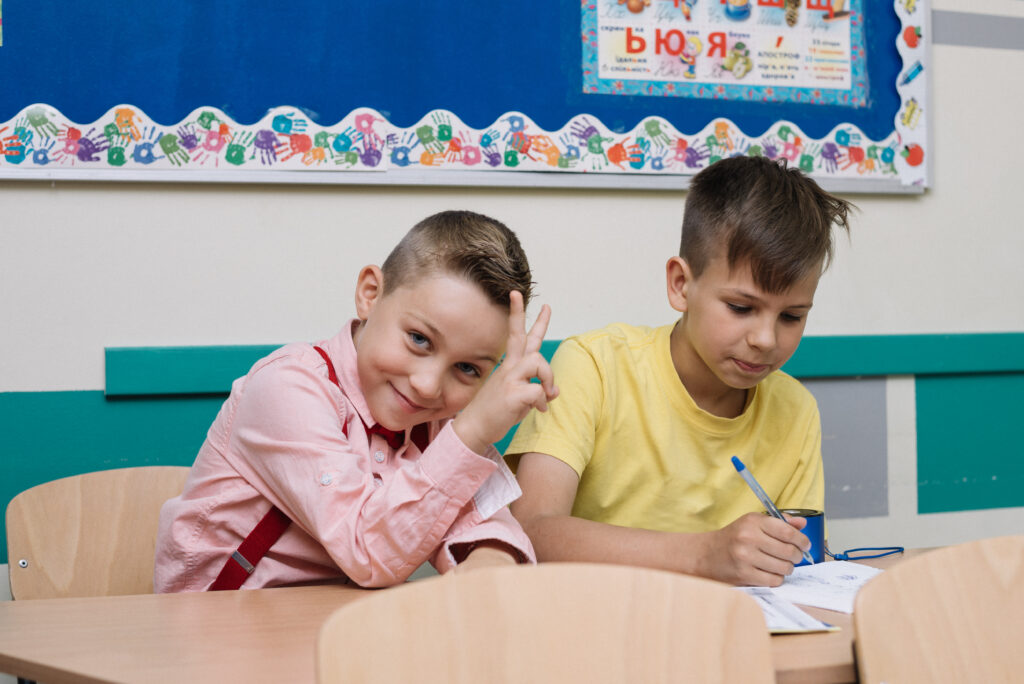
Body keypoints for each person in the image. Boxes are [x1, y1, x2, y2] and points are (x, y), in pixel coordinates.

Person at [155, 210, 558, 592]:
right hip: (212, 632)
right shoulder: (288, 387)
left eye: (468, 369)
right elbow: (368, 552)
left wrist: (492, 560)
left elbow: (485, 523)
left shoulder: (434, 425)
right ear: (370, 294)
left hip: (326, 633)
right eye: (419, 339)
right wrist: (472, 431)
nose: (428, 386)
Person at [506, 156, 853, 587]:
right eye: (741, 308)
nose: (766, 338)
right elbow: (531, 532)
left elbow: (794, 567)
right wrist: (704, 554)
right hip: (598, 628)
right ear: (680, 285)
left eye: (792, 316)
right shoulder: (594, 365)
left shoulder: (795, 410)